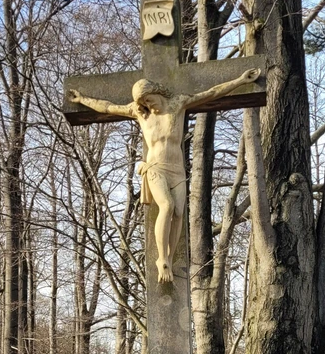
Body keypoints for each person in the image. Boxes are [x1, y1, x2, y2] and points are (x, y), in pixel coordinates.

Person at [69, 68, 259, 282]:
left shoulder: (177, 104)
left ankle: (168, 256)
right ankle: (162, 259)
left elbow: (211, 93)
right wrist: (83, 99)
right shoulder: (140, 114)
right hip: (155, 167)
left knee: (178, 212)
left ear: (157, 92)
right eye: (145, 103)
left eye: (149, 99)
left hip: (177, 170)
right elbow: (108, 107)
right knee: (166, 206)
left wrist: (240, 79)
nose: (149, 105)